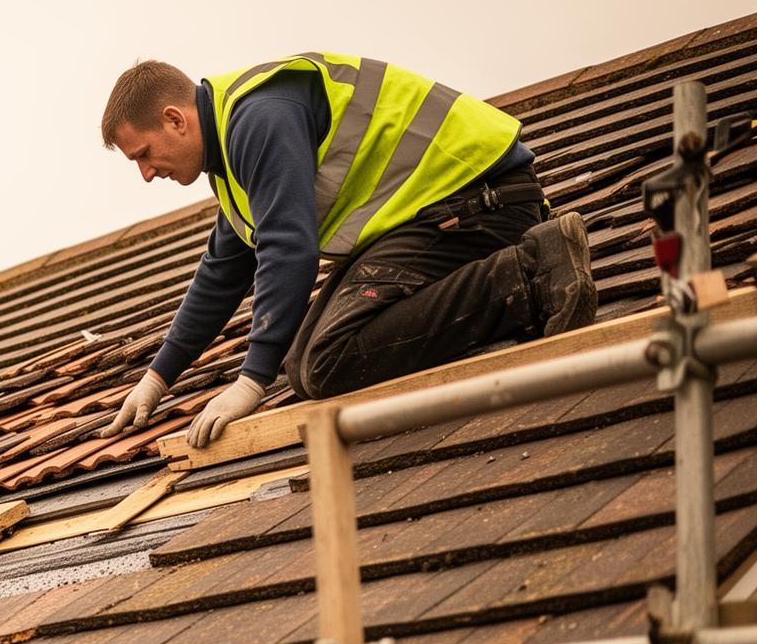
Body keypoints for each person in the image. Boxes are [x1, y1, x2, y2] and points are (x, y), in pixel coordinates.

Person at [98, 54, 596, 447]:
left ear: (174, 119)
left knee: (328, 359)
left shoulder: (258, 119)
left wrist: (251, 380)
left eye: (143, 154)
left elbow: (288, 248)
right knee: (303, 364)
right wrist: (157, 378)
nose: (146, 173)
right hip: (441, 215)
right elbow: (222, 272)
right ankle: (520, 274)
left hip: (481, 203)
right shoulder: (232, 153)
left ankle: (533, 275)